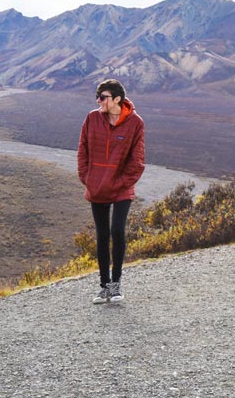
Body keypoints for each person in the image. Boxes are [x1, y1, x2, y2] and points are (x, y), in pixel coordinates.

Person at [77, 79, 145, 304]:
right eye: (97, 97)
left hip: (121, 188)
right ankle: (103, 286)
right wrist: (87, 178)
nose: (99, 101)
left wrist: (122, 182)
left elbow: (138, 161)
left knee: (117, 231)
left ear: (117, 99)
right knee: (102, 235)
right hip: (97, 186)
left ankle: (116, 285)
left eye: (103, 97)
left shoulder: (135, 123)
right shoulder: (92, 118)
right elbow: (83, 150)